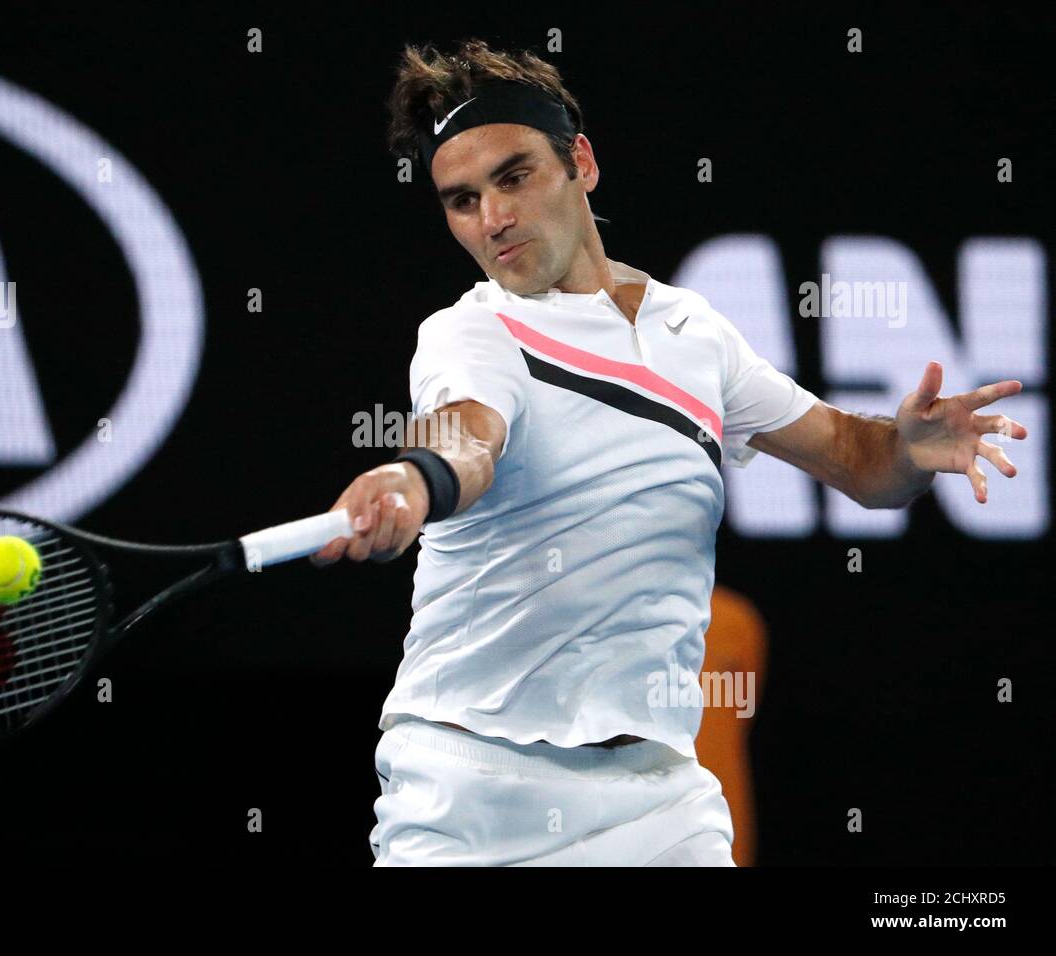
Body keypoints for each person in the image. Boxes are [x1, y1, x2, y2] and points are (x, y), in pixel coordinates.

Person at [309, 39, 1027, 866]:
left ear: (581, 162)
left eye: (514, 177)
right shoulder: (470, 333)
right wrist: (412, 478)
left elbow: (858, 463)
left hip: (658, 800)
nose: (493, 219)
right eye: (461, 200)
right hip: (473, 791)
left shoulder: (693, 333)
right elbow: (466, 432)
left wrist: (906, 446)